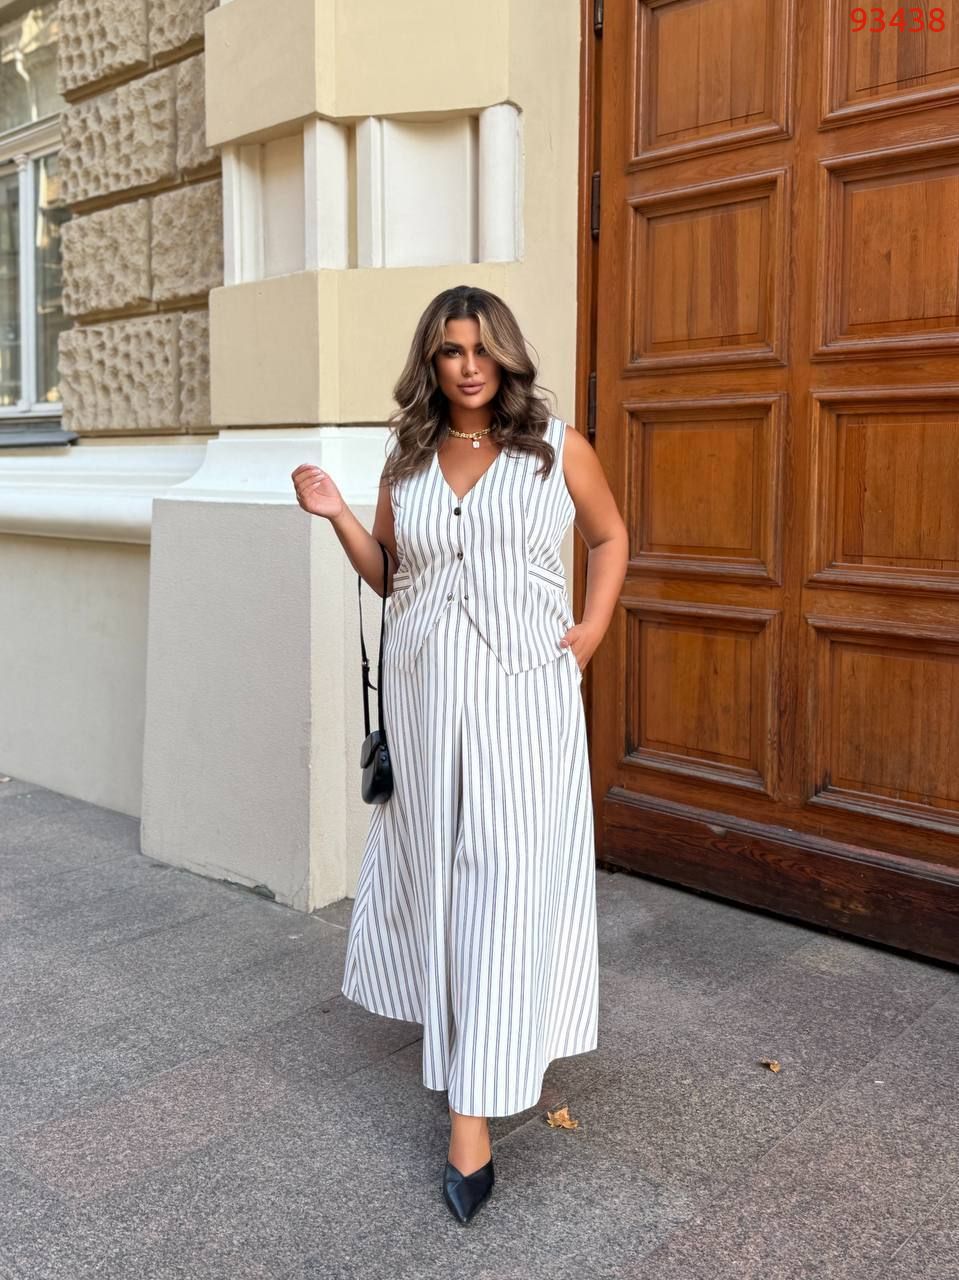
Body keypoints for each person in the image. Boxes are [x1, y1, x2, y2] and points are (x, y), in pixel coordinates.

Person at [291, 284, 628, 1224]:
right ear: (431, 362)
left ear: (504, 355)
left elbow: (608, 536)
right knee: (446, 878)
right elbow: (391, 573)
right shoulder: (407, 458)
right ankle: (474, 1073)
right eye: (450, 350)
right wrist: (337, 514)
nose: (468, 366)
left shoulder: (555, 449)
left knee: (507, 878)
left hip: (524, 695)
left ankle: (471, 1110)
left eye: (481, 349)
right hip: (427, 697)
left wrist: (592, 628)